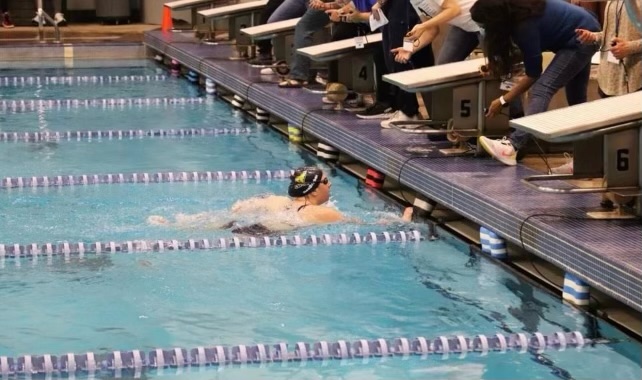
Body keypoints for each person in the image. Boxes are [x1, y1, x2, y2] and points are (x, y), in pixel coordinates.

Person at [471, 0, 600, 166]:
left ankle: (513, 146)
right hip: (584, 27)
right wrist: (495, 65)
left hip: (581, 37)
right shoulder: (519, 12)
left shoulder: (524, 27)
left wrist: (503, 100)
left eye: (484, 26)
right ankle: (586, 160)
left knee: (541, 89)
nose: (483, 30)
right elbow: (529, 52)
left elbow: (533, 74)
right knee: (577, 100)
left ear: (495, 21)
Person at [148, 166, 414, 235]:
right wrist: (401, 221)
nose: (329, 184)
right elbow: (367, 225)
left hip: (244, 223)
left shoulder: (276, 200)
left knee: (218, 224)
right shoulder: (322, 214)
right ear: (312, 189)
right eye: (324, 181)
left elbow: (240, 207)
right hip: (263, 233)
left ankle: (172, 225)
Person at [550, 0, 642, 175]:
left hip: (634, 79)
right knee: (612, 136)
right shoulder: (614, 2)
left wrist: (629, 47)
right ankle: (599, 171)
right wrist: (594, 36)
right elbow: (610, 35)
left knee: (630, 140)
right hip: (610, 78)